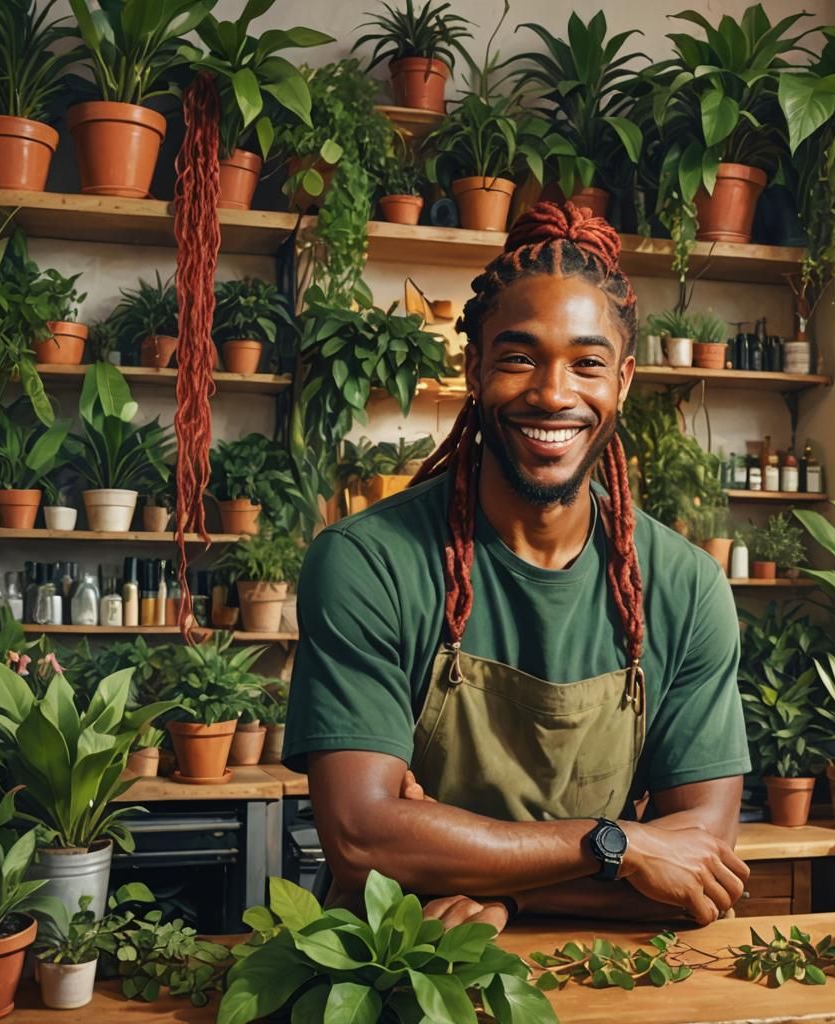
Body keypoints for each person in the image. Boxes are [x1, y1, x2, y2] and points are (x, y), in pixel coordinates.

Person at [284, 201, 751, 933]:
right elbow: (362, 840)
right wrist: (618, 845)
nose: (554, 393)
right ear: (473, 368)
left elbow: (702, 867)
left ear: (623, 382)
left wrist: (495, 880)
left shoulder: (686, 589)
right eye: (519, 357)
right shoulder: (368, 564)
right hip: (395, 963)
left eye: (587, 364)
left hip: (613, 973)